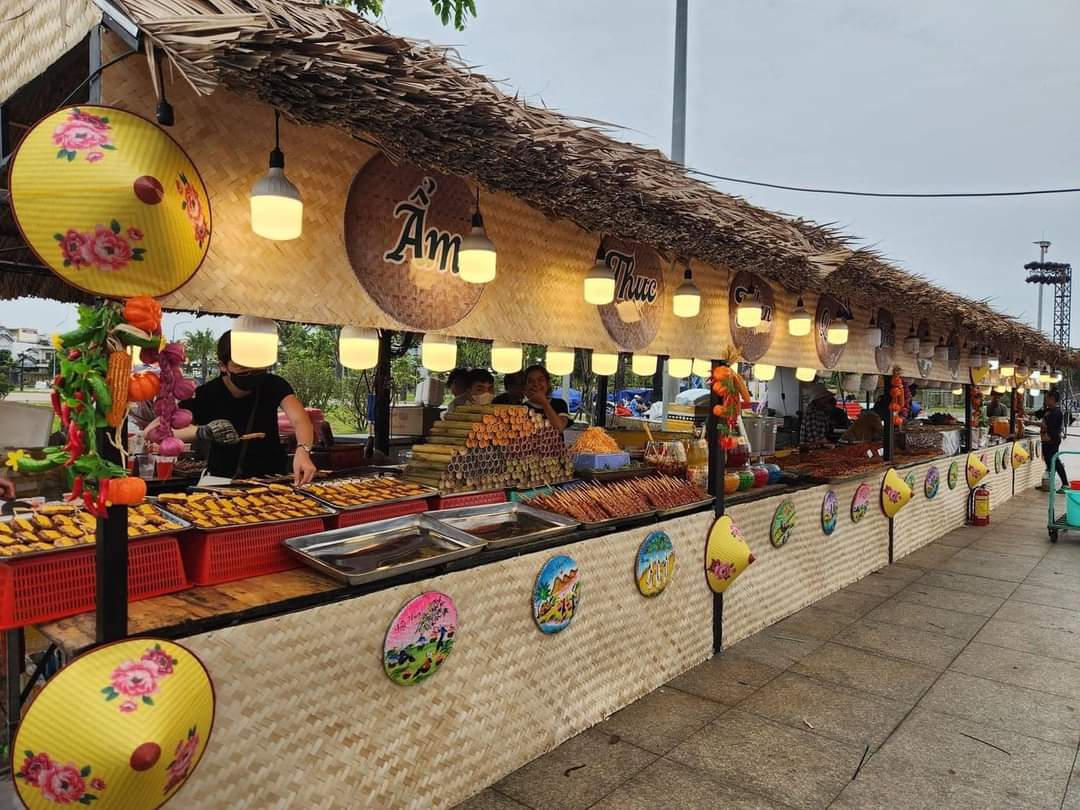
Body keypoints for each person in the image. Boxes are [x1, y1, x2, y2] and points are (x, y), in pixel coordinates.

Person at [156, 331, 316, 484]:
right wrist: (203, 431)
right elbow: (162, 430)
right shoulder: (206, 394)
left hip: (271, 478)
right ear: (223, 366)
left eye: (255, 365)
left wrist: (303, 449)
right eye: (241, 366)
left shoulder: (274, 385)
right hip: (222, 480)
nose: (250, 371)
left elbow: (300, 420)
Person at [523, 364, 570, 430]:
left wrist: (544, 402)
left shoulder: (560, 404)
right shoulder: (522, 408)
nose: (536, 384)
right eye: (530, 381)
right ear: (525, 386)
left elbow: (560, 427)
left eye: (540, 380)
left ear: (548, 383)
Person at [1041, 389, 1069, 492]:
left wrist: (1031, 423)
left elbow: (1048, 427)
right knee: (1049, 462)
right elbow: (1037, 414)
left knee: (1055, 461)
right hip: (1046, 440)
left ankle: (1065, 484)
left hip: (1052, 440)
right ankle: (1049, 484)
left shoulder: (1056, 412)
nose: (1046, 400)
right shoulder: (1048, 410)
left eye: (1047, 399)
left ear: (1052, 399)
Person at [800, 383, 835, 447]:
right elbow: (814, 439)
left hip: (819, 448)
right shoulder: (811, 412)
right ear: (818, 400)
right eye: (824, 398)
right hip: (810, 449)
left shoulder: (822, 412)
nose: (826, 400)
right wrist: (828, 443)